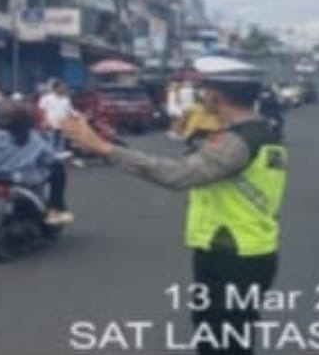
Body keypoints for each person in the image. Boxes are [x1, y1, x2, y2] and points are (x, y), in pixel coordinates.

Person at [63, 71, 286, 355]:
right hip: (246, 249)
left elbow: (177, 174)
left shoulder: (238, 141)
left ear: (216, 95)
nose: (202, 96)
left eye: (205, 90)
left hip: (231, 253)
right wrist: (109, 144)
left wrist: (104, 148)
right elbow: (178, 163)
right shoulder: (261, 134)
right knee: (227, 335)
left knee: (222, 340)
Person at [0, 100, 73, 226]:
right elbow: (49, 158)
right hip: (26, 180)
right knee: (57, 168)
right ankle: (56, 208)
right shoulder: (34, 138)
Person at [37, 79, 75, 151]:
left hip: (63, 124)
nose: (63, 89)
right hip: (51, 124)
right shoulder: (46, 98)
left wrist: (76, 115)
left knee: (61, 143)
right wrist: (45, 121)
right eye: (61, 87)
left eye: (63, 87)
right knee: (51, 142)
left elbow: (70, 110)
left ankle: (60, 154)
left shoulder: (66, 99)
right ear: (55, 88)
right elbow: (42, 110)